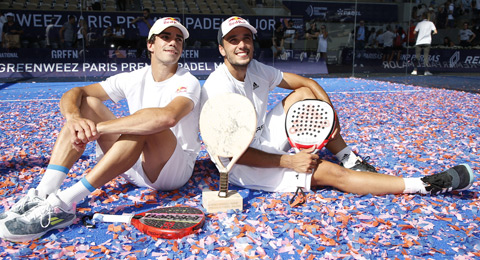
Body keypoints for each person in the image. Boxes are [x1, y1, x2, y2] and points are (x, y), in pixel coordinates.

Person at [200, 16, 474, 199]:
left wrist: (330, 116)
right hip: (239, 164)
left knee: (304, 93)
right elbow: (233, 152)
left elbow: (306, 82)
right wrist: (289, 160)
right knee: (330, 174)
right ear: (222, 49)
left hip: (261, 138)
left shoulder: (256, 68)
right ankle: (424, 185)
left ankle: (347, 155)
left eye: (245, 38)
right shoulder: (217, 88)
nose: (241, 44)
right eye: (233, 40)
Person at [0, 18, 201, 242]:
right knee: (87, 104)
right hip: (130, 163)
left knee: (144, 124)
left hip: (171, 171)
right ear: (150, 45)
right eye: (166, 37)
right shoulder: (134, 77)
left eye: (179, 39)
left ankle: (64, 203)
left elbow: (168, 117)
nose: (173, 42)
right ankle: (44, 192)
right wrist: (74, 118)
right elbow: (76, 92)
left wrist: (98, 129)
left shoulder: (188, 81)